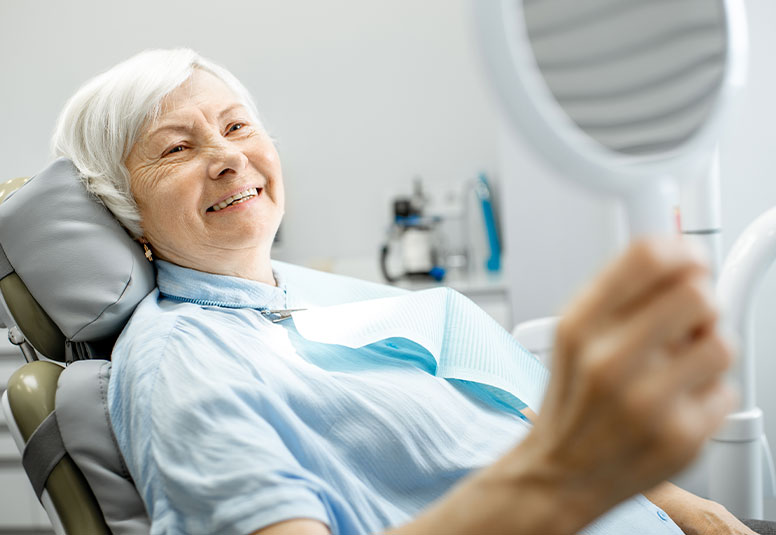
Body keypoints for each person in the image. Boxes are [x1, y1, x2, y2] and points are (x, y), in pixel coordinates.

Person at [51, 48, 765, 535]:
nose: (229, 155)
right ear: (124, 207)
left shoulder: (304, 293)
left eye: (238, 126)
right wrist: (560, 477)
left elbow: (510, 407)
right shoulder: (182, 361)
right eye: (177, 147)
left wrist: (676, 501)